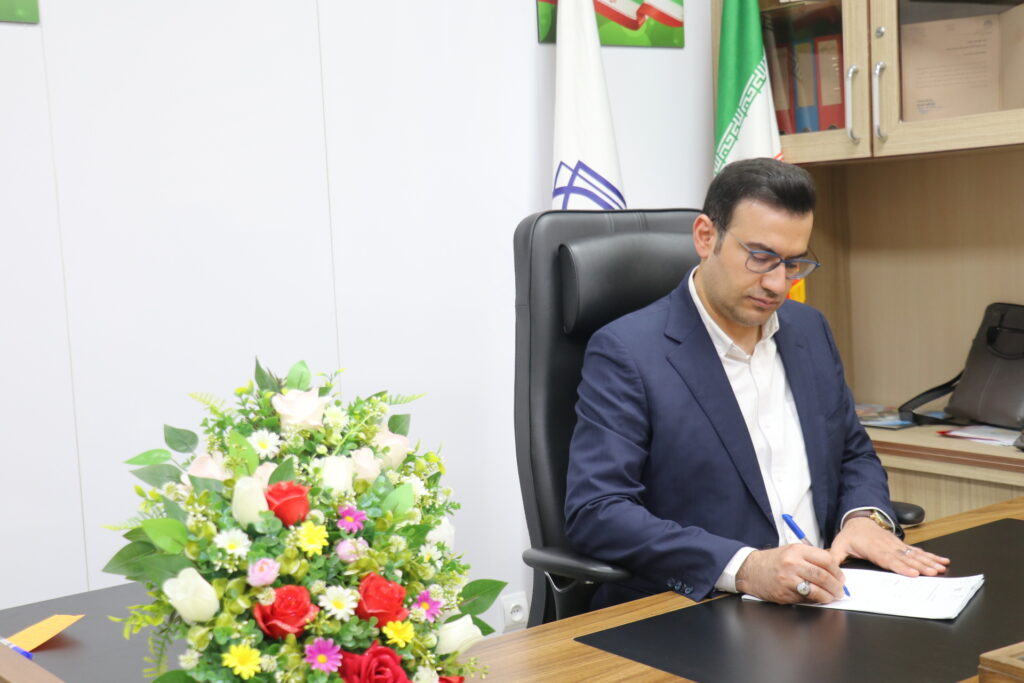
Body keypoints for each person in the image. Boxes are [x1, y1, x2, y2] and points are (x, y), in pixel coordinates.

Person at [563, 158, 949, 609]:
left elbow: (852, 452)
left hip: (833, 596)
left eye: (794, 263)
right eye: (761, 258)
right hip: (703, 608)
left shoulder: (809, 330)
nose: (778, 284)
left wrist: (863, 517)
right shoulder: (628, 351)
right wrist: (745, 567)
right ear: (706, 237)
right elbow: (598, 511)